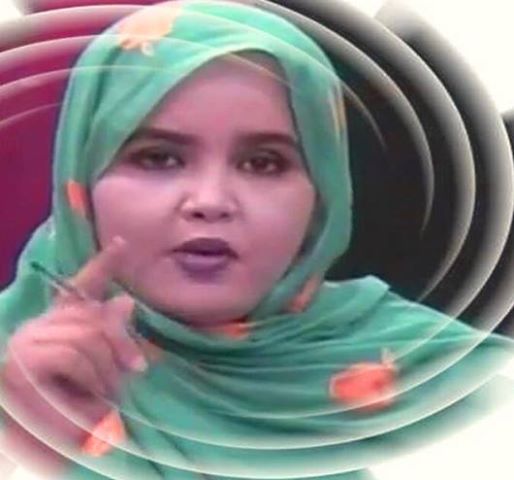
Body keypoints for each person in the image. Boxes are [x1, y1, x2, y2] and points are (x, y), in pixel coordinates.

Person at [0, 1, 513, 479]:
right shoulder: (13, 364)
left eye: (263, 163)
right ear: (81, 179)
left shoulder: (454, 382)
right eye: (158, 158)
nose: (210, 201)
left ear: (323, 194)